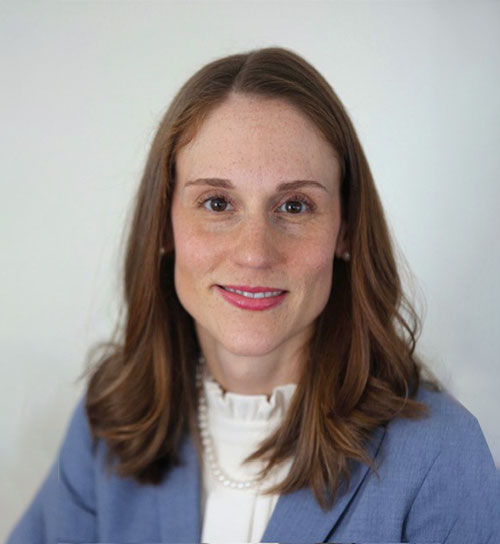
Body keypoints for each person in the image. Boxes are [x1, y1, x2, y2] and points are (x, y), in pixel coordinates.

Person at [7, 47, 500, 544]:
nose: (254, 254)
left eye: (294, 205)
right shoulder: (109, 426)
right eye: (217, 202)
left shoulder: (442, 456)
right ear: (164, 223)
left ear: (345, 230)